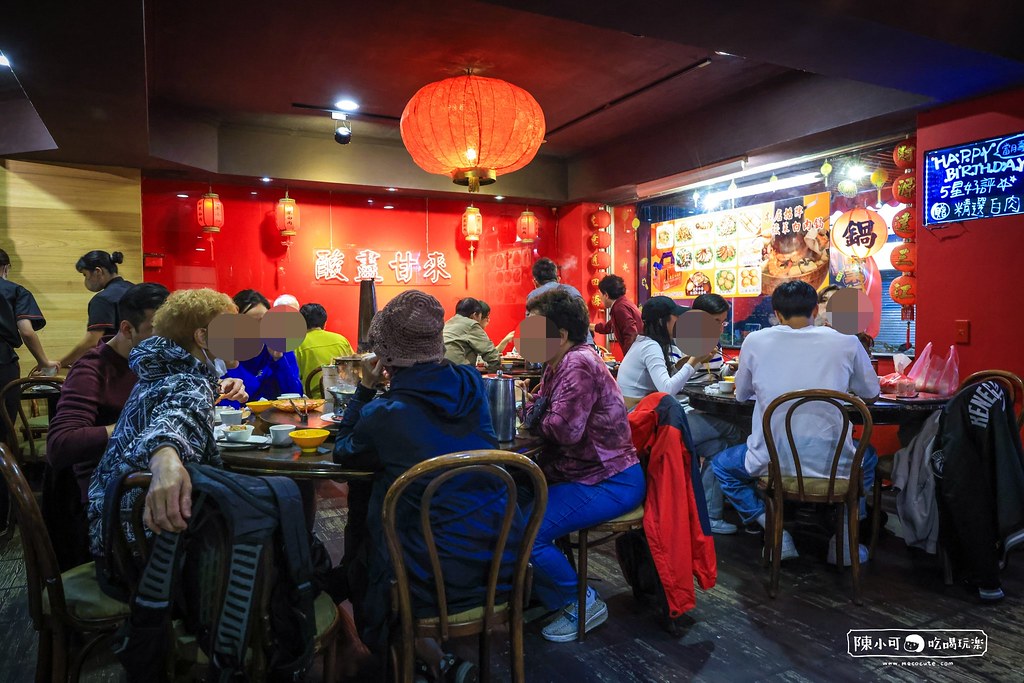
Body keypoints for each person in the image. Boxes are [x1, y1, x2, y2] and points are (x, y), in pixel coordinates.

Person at [332, 290, 509, 678]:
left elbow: (343, 453)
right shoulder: (469, 381)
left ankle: (409, 654)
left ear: (387, 355)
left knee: (366, 540)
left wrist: (364, 388)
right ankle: (432, 656)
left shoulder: (386, 412)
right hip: (495, 557)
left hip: (424, 573)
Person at [712, 281, 880, 565]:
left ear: (776, 314)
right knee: (869, 457)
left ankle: (776, 532)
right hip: (834, 460)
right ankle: (843, 539)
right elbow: (871, 394)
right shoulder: (847, 340)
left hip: (772, 460)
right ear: (816, 309)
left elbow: (741, 395)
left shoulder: (755, 341)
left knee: (722, 467)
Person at [520, 289, 644, 642]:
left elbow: (564, 429)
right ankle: (546, 591)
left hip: (608, 479)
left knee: (527, 530)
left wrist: (533, 411)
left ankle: (581, 602)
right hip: (580, 475)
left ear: (558, 335)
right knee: (509, 505)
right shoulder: (557, 362)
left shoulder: (578, 362)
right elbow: (542, 411)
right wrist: (536, 409)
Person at [86, 288, 247, 558]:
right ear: (202, 337)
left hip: (108, 529)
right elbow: (174, 421)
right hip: (147, 549)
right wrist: (165, 458)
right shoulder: (190, 383)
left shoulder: (158, 372)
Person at [616, 295, 742, 534]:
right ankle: (716, 506)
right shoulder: (652, 347)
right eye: (676, 318)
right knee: (735, 431)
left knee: (718, 445)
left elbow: (666, 382)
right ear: (664, 321)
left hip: (647, 421)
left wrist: (692, 362)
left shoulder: (646, 344)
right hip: (645, 429)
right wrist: (694, 361)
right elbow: (668, 389)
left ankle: (709, 514)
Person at [48, 283, 171, 502]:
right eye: (156, 331)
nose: (167, 342)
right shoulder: (92, 368)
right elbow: (60, 444)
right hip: (108, 488)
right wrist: (135, 424)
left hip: (152, 472)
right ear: (126, 329)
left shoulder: (157, 362)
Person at [0, 248, 60, 431]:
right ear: (6, 268)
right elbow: (26, 331)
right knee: (3, 427)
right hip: (2, 361)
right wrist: (44, 362)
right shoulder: (15, 291)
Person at [223, 289, 303, 400]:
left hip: (276, 416)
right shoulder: (226, 355)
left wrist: (279, 359)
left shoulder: (281, 348)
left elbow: (295, 394)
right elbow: (222, 400)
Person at [60, 250, 135, 368]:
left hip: (117, 367)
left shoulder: (103, 299)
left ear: (98, 271)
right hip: (143, 363)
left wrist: (59, 364)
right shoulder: (137, 289)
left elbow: (92, 341)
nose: (85, 280)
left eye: (85, 275)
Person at [294, 303, 354, 396]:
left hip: (312, 402)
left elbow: (292, 378)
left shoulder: (297, 344)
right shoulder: (341, 340)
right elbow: (355, 368)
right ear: (325, 323)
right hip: (342, 396)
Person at [443, 297, 514, 372]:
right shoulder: (471, 324)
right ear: (474, 315)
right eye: (481, 316)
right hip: (458, 373)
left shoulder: (447, 323)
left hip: (439, 372)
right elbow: (492, 356)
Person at [590, 274, 643, 355]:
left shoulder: (619, 308)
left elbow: (631, 334)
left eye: (600, 294)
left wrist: (628, 360)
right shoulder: (622, 304)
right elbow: (608, 327)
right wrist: (588, 326)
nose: (600, 297)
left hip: (638, 355)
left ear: (606, 295)